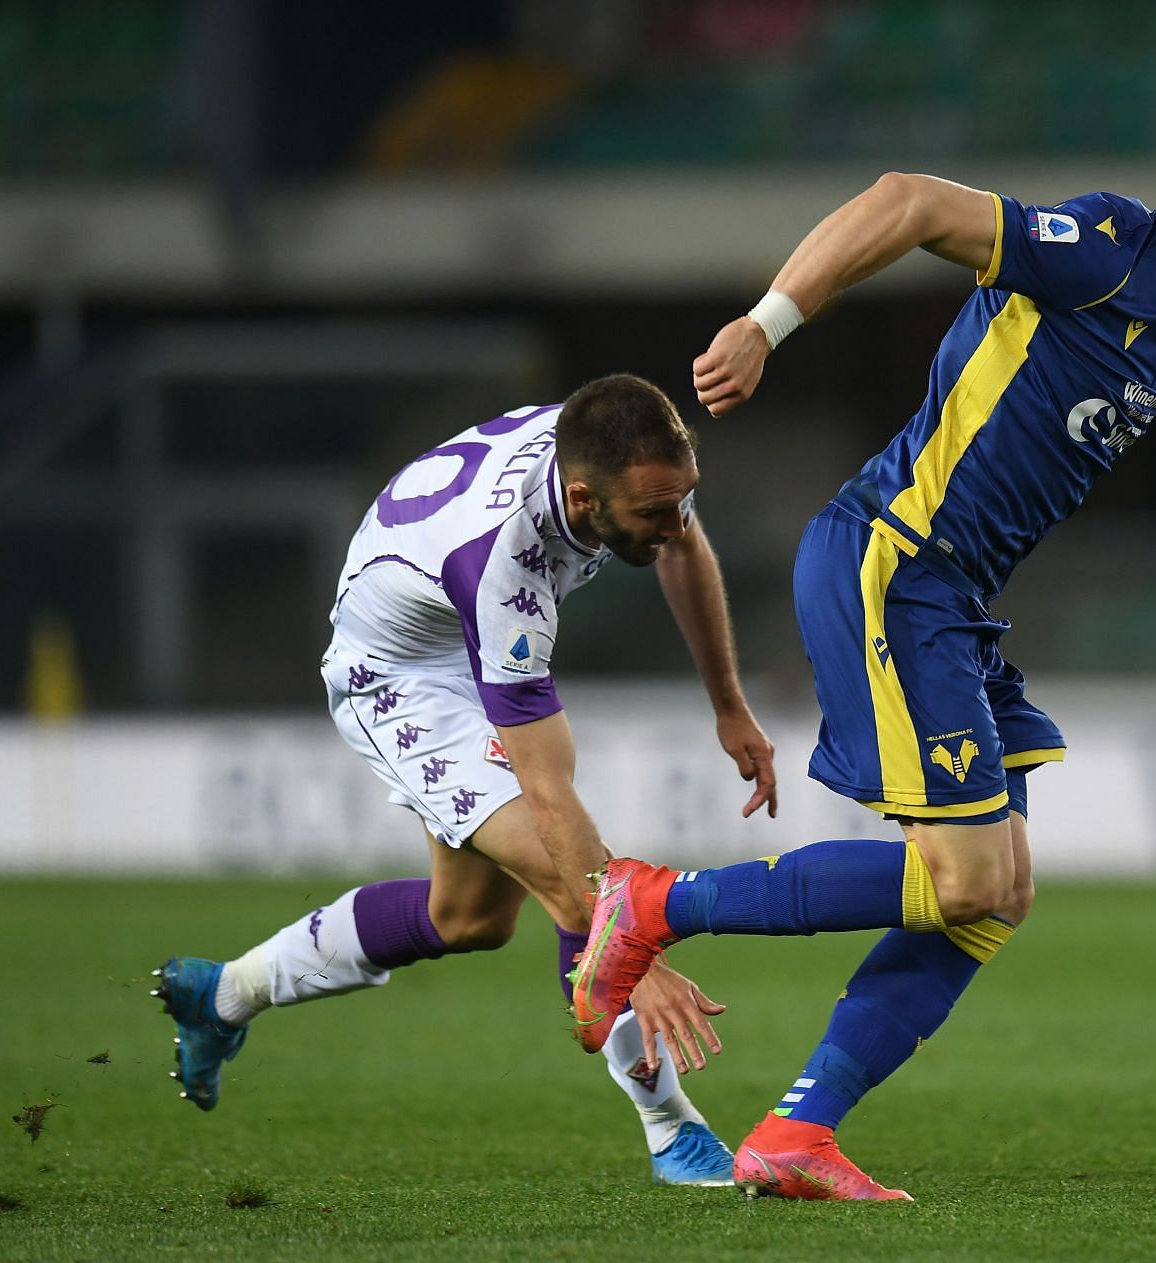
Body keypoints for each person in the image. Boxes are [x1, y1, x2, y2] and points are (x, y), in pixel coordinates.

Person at [575, 103, 1156, 1201]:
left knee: (997, 894)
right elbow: (909, 201)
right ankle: (649, 905)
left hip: (955, 600)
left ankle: (797, 1134)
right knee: (966, 874)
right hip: (892, 561)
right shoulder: (1105, 253)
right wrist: (766, 324)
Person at [153, 374, 778, 1186]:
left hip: (450, 623)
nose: (673, 522)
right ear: (584, 500)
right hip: (400, 673)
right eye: (652, 513)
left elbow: (685, 543)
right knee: (570, 884)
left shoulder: (618, 452)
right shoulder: (504, 566)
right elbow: (548, 791)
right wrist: (635, 953)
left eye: (679, 498)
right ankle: (672, 1131)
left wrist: (729, 705)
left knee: (469, 916)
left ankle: (224, 993)